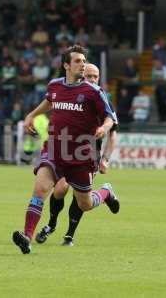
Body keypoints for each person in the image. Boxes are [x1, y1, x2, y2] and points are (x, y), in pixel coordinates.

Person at [12, 45, 119, 254]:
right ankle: (27, 236)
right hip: (54, 149)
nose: (82, 64)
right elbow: (48, 102)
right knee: (41, 189)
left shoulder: (93, 92)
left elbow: (110, 118)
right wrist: (31, 115)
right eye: (78, 61)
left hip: (81, 155)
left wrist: (103, 128)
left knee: (85, 203)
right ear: (66, 65)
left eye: (84, 60)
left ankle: (105, 192)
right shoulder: (55, 86)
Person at [35, 63, 119, 247]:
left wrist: (105, 159)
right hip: (65, 152)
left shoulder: (101, 98)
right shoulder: (72, 94)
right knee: (59, 189)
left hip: (88, 156)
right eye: (88, 75)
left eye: (95, 76)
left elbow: (112, 132)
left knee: (82, 201)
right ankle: (51, 225)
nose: (92, 79)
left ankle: (69, 235)